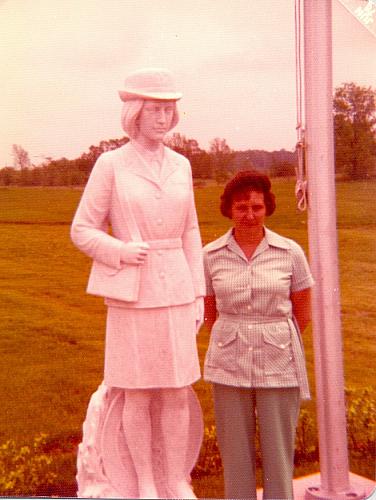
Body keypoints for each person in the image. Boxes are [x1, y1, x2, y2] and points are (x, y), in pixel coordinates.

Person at [71, 68, 205, 499]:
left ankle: (174, 477)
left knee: (177, 390)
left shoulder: (182, 165)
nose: (163, 118)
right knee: (138, 392)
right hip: (132, 291)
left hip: (177, 290)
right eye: (154, 110)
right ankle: (145, 481)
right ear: (135, 113)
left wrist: (199, 290)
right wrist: (119, 251)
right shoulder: (111, 164)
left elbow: (190, 231)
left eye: (168, 110)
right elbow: (82, 228)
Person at [203, 170, 314, 500]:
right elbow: (210, 313)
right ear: (229, 210)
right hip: (228, 361)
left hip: (278, 361)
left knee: (278, 451)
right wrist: (237, 336)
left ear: (267, 208)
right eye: (241, 207)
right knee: (235, 452)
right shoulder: (210, 256)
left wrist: (269, 338)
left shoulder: (290, 251)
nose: (249, 215)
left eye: (256, 207)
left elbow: (303, 314)